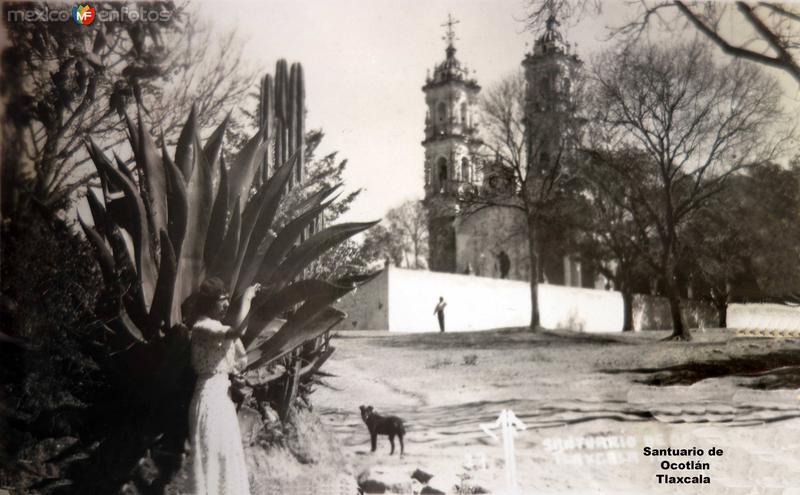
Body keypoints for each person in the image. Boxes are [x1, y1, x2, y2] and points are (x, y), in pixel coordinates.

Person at [188, 277, 260, 495]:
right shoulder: (202, 327)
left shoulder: (218, 327)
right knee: (212, 466)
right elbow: (238, 332)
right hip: (208, 401)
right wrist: (246, 299)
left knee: (227, 465)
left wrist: (235, 378)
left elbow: (236, 361)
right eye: (222, 300)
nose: (227, 304)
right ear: (209, 303)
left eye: (229, 299)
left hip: (222, 402)